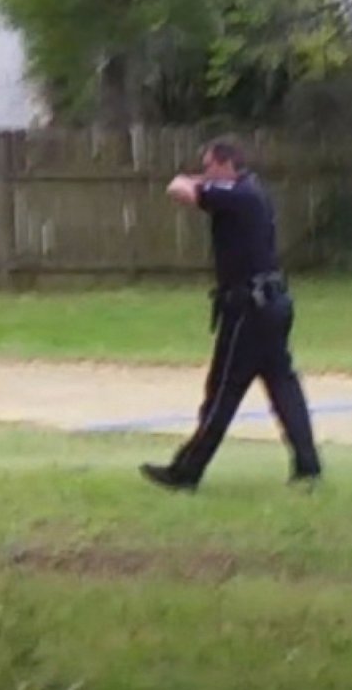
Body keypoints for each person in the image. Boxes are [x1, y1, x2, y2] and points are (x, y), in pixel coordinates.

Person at [140, 136, 322, 491]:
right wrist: (204, 181)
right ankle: (308, 466)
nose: (205, 171)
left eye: (209, 165)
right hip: (273, 304)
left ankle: (186, 472)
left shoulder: (237, 196)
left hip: (248, 310)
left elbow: (178, 189)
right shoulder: (254, 192)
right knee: (283, 387)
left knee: (223, 393)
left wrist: (194, 180)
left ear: (225, 165)